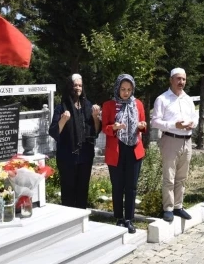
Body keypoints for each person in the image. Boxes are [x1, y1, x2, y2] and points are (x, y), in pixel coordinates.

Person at [102, 74, 147, 233]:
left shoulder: (138, 104)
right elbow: (104, 128)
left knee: (131, 186)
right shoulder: (109, 105)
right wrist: (113, 128)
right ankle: (119, 218)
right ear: (117, 89)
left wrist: (142, 125)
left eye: (129, 89)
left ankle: (129, 218)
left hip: (134, 149)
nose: (126, 93)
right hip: (116, 149)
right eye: (123, 89)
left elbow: (143, 124)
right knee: (117, 186)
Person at [151, 68, 197, 223]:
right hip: (170, 140)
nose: (181, 82)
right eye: (178, 79)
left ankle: (178, 206)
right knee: (169, 177)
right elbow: (155, 121)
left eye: (183, 79)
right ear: (171, 80)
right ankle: (168, 208)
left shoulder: (188, 99)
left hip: (187, 141)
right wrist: (173, 125)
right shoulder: (162, 99)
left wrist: (192, 124)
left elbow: (194, 117)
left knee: (182, 177)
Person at [49, 74, 101, 210]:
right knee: (68, 190)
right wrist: (63, 120)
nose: (77, 88)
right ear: (70, 87)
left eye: (80, 85)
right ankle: (69, 221)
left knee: (82, 189)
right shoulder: (62, 107)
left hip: (85, 155)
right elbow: (54, 131)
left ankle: (81, 220)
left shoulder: (88, 105)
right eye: (75, 85)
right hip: (67, 157)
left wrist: (95, 117)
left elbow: (95, 131)